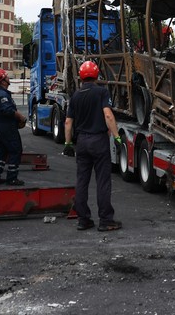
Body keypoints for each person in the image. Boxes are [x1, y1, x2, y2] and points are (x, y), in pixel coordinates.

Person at [63, 61, 122, 232]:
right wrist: (117, 137)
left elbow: (68, 122)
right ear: (96, 75)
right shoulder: (101, 92)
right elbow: (108, 116)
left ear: (81, 76)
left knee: (82, 181)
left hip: (81, 142)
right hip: (98, 141)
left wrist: (68, 143)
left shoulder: (75, 96)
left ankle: (83, 220)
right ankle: (105, 220)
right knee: (103, 181)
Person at [0, 68, 27, 186]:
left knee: (1, 151)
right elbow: (7, 110)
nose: (8, 78)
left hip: (2, 127)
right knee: (16, 150)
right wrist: (20, 116)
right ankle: (12, 178)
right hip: (7, 128)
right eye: (6, 76)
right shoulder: (2, 95)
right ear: (2, 80)